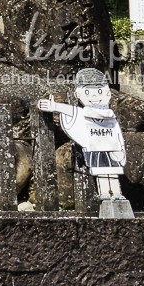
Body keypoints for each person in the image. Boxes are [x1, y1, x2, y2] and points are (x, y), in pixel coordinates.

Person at [36, 67, 132, 217]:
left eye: (100, 91)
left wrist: (121, 149)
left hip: (112, 148)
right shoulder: (85, 112)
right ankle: (105, 194)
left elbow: (117, 133)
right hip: (96, 148)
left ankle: (117, 193)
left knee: (112, 173)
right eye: (88, 92)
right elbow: (73, 111)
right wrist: (54, 107)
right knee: (101, 172)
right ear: (78, 94)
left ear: (107, 92)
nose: (95, 96)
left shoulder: (110, 116)